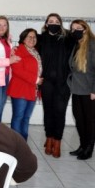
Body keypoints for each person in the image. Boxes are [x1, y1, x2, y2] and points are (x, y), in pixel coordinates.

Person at [67, 19, 95, 160]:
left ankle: (89, 149)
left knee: (89, 119)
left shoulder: (94, 46)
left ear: (85, 29)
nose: (74, 31)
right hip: (79, 88)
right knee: (79, 118)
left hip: (93, 89)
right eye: (72, 28)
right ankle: (82, 145)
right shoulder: (77, 45)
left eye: (78, 28)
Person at [38, 13, 74, 158]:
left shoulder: (67, 39)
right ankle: (49, 138)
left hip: (63, 83)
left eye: (57, 21)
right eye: (51, 21)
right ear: (46, 24)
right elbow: (27, 45)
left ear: (60, 24)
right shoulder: (40, 39)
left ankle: (57, 142)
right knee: (48, 111)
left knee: (60, 112)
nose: (54, 23)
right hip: (46, 82)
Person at [7, 28, 43, 141]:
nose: (32, 39)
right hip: (20, 89)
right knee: (18, 117)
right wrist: (36, 80)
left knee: (26, 118)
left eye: (34, 37)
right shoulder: (18, 50)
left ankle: (23, 144)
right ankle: (16, 145)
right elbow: (17, 70)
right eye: (29, 37)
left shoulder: (36, 52)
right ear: (23, 38)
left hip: (32, 90)